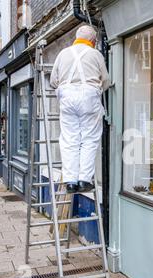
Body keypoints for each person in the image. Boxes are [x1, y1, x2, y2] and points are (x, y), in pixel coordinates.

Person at [50, 25, 110, 194]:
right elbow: (105, 79)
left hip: (67, 97)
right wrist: (98, 89)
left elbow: (54, 80)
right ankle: (84, 180)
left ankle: (70, 181)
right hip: (89, 96)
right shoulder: (95, 54)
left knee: (69, 140)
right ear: (93, 40)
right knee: (89, 139)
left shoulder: (62, 54)